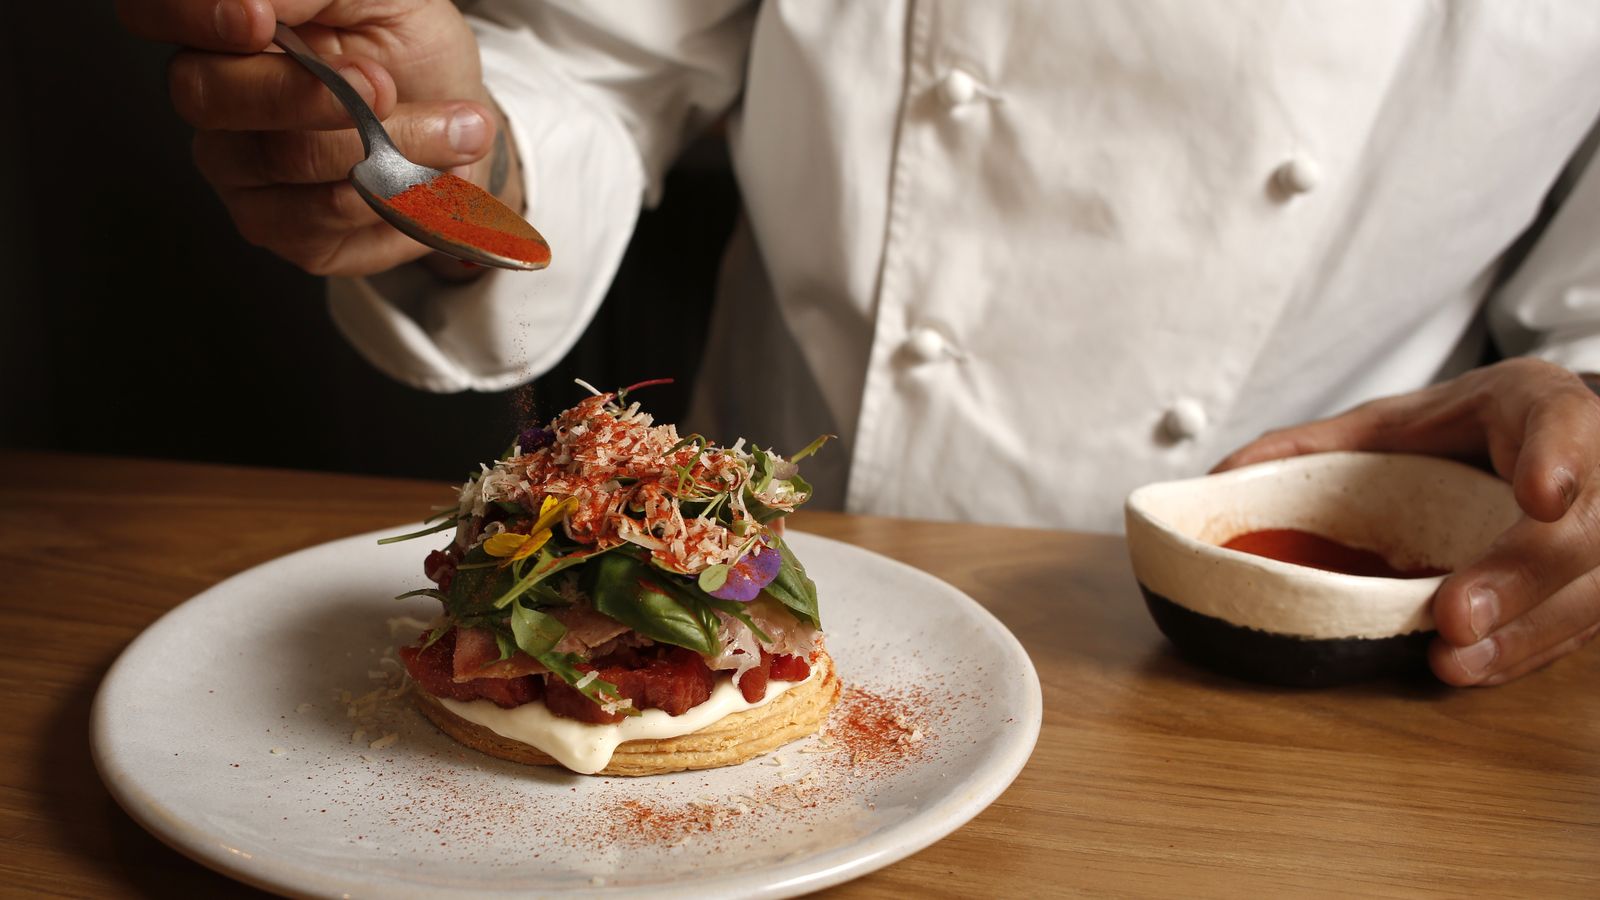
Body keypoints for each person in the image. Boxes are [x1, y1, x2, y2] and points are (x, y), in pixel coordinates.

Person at [118, 0, 1600, 687]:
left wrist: (1583, 420)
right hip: (782, 548)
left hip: (1298, 623)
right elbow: (604, 65)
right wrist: (449, 156)